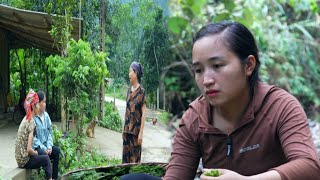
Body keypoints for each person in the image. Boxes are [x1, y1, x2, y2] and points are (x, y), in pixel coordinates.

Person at [163, 21, 320, 180]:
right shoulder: (195, 118)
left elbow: (310, 166)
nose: (206, 80)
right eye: (198, 70)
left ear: (248, 66)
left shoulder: (280, 106)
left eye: (217, 65)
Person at [15, 90, 53, 180]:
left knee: (43, 155)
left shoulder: (26, 118)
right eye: (37, 104)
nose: (39, 106)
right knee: (46, 159)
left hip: (20, 158)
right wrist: (35, 152)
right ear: (33, 106)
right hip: (24, 160)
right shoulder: (31, 122)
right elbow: (29, 150)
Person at [122, 61, 147, 163]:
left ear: (135, 73)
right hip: (127, 132)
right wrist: (123, 130)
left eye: (130, 71)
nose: (129, 74)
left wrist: (141, 133)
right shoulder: (129, 90)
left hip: (135, 134)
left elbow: (144, 113)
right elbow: (127, 110)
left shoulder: (142, 91)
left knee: (134, 163)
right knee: (125, 163)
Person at [33, 91, 60, 180]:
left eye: (45, 102)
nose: (45, 104)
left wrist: (49, 147)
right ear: (38, 103)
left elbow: (50, 132)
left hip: (46, 146)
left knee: (56, 151)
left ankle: (54, 178)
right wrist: (44, 149)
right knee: (45, 156)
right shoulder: (34, 118)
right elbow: (34, 139)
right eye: (43, 102)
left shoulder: (46, 115)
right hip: (38, 148)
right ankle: (49, 178)